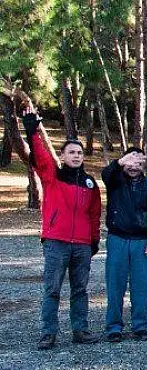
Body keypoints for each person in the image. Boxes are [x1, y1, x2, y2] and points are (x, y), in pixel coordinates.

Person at [21, 101, 102, 350]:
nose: (76, 156)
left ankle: (80, 330)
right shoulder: (52, 176)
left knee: (80, 290)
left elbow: (95, 215)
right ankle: (49, 333)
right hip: (56, 242)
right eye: (71, 153)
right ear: (64, 156)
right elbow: (40, 156)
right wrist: (32, 129)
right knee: (52, 290)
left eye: (79, 153)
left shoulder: (90, 183)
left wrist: (93, 241)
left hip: (81, 246)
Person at [101, 148, 147, 343]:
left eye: (139, 163)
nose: (134, 167)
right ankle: (114, 327)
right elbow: (106, 174)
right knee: (115, 285)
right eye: (131, 162)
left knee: (141, 287)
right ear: (125, 161)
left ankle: (140, 326)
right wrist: (119, 163)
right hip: (118, 239)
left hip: (141, 241)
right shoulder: (115, 180)